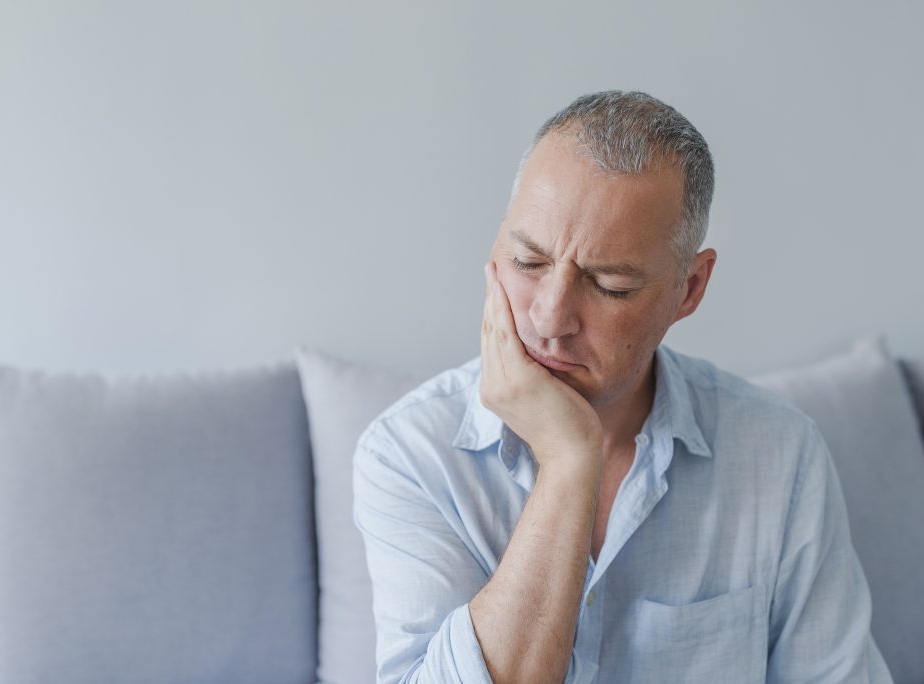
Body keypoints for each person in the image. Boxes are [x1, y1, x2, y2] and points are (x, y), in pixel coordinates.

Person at [352, 90, 893, 683]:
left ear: (688, 289)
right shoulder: (409, 455)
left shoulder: (782, 456)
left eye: (609, 285)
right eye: (529, 262)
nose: (550, 320)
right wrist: (567, 461)